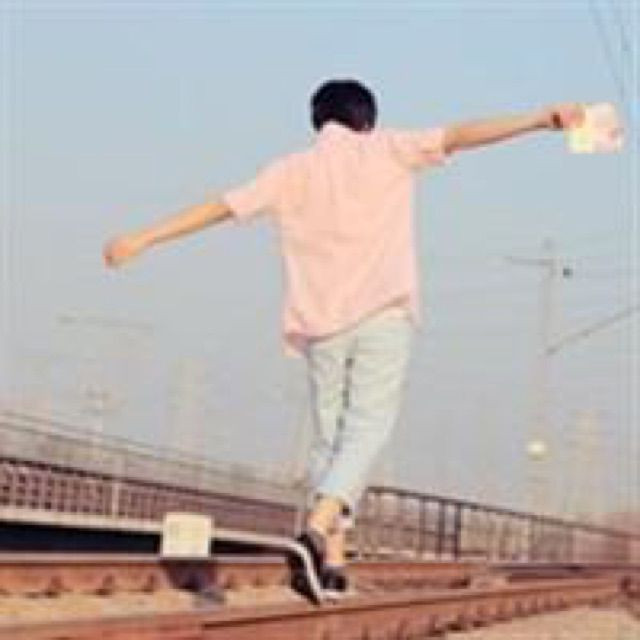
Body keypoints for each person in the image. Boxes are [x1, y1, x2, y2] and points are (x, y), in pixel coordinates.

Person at [103, 79, 583, 601]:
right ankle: (316, 530)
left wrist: (143, 238)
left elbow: (222, 206)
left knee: (329, 439)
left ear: (318, 121)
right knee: (367, 429)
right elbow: (462, 134)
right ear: (367, 121)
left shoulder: (290, 171)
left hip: (320, 325)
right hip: (383, 314)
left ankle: (332, 563)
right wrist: (539, 119)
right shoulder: (390, 149)